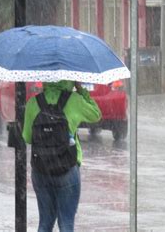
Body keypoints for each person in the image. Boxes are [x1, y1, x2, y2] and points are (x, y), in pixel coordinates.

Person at [22, 80, 101, 232]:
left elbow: (27, 137)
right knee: (66, 223)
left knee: (45, 222)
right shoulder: (74, 100)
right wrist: (81, 91)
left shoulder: (33, 102)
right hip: (67, 167)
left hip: (41, 169)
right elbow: (96, 114)